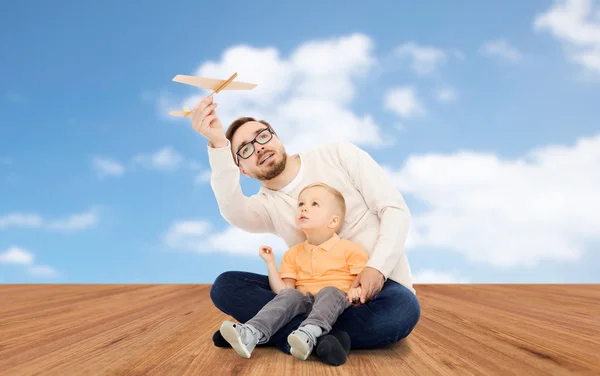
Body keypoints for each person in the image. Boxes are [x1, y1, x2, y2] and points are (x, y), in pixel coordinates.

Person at [192, 94, 421, 365]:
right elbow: (231, 209)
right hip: (309, 297)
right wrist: (219, 144)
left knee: (403, 310)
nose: (259, 148)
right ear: (242, 170)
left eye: (262, 136)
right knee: (225, 286)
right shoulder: (265, 206)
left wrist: (378, 268)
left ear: (276, 136)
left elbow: (394, 209)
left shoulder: (338, 154)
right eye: (244, 150)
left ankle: (264, 331)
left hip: (376, 288)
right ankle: (318, 338)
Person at [219, 182, 369, 365]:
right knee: (291, 295)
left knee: (330, 291)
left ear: (333, 221)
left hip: (339, 303)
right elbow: (283, 292)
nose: (304, 208)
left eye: (314, 204)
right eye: (301, 204)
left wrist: (357, 291)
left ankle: (308, 334)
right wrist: (270, 263)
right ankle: (252, 333)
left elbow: (364, 283)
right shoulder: (293, 253)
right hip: (305, 303)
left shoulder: (351, 249)